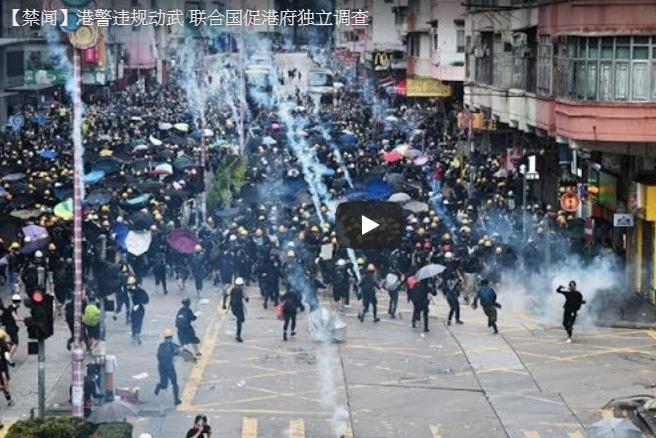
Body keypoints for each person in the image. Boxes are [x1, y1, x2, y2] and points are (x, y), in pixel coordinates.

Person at [154, 328, 182, 405]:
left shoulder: (161, 345)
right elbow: (181, 352)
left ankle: (159, 386)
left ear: (164, 337)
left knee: (164, 385)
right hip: (169, 367)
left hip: (161, 367)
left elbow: (158, 357)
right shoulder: (173, 345)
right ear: (172, 337)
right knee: (174, 383)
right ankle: (176, 400)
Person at [223, 277, 249, 343]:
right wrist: (245, 293)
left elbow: (225, 295)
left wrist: (224, 304)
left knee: (240, 319)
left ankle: (238, 334)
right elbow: (246, 299)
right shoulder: (241, 290)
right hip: (239, 307)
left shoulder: (232, 289)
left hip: (233, 307)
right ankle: (238, 335)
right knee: (240, 320)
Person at [127, 276, 149, 345]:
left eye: (130, 285)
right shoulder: (130, 290)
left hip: (139, 309)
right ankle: (134, 335)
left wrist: (138, 304)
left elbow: (145, 299)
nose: (129, 286)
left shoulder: (139, 290)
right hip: (134, 308)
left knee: (138, 322)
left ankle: (137, 334)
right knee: (133, 321)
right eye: (128, 285)